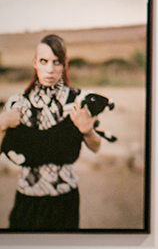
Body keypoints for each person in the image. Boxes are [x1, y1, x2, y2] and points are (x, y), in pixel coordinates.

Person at [0, 34, 101, 230]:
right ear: (34, 63)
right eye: (44, 61)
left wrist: (88, 131)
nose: (50, 70)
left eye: (56, 62)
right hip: (28, 198)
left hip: (66, 198)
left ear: (65, 64)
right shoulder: (16, 104)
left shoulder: (78, 101)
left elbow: (96, 147)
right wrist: (2, 122)